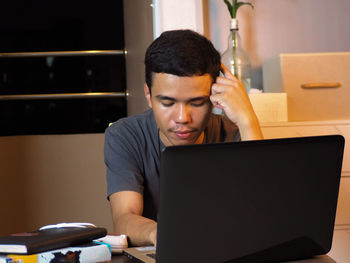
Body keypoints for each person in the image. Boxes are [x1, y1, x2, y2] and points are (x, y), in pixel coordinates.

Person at [104, 29, 263, 247]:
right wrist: (162, 234)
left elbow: (263, 214)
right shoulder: (126, 135)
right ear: (148, 96)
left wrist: (248, 120)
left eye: (197, 102)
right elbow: (124, 218)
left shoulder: (235, 134)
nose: (182, 118)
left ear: (214, 95)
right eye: (168, 103)